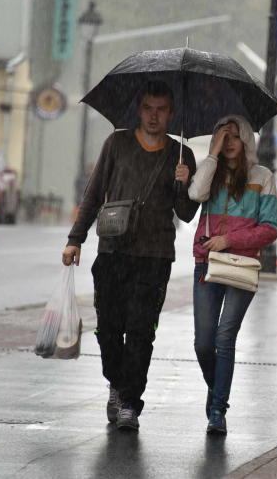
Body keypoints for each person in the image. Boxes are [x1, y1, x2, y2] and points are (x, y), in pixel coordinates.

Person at [62, 81, 199, 431]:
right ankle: (118, 384)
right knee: (108, 329)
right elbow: (93, 195)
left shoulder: (181, 155)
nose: (154, 117)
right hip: (112, 252)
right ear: (139, 110)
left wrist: (185, 184)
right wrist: (75, 239)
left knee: (140, 332)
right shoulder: (117, 143)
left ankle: (129, 404)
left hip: (154, 257)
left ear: (171, 113)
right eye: (148, 109)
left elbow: (185, 214)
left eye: (162, 110)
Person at [188, 115, 277, 435]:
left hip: (241, 265)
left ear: (246, 141)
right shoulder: (210, 172)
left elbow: (270, 228)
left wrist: (231, 240)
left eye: (234, 137)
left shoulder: (262, 177)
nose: (228, 143)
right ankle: (217, 392)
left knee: (224, 339)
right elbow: (195, 195)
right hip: (207, 263)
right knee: (203, 343)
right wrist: (210, 156)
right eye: (222, 137)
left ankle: (217, 410)